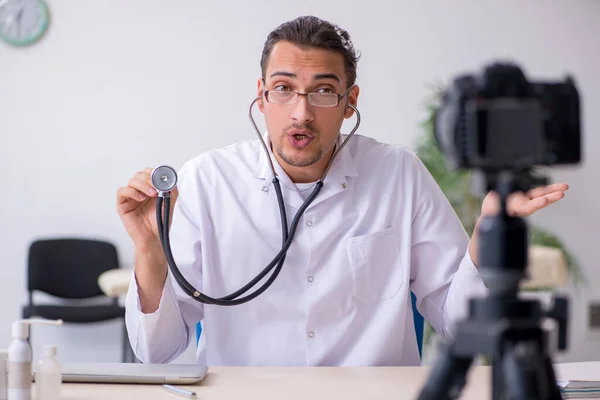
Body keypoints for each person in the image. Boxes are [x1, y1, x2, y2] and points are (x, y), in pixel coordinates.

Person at [117, 15, 568, 366]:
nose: (302, 113)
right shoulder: (207, 181)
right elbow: (156, 352)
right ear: (261, 96)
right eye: (284, 89)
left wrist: (487, 232)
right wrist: (149, 253)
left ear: (351, 102)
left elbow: (459, 322)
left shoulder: (399, 174)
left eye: (324, 92)